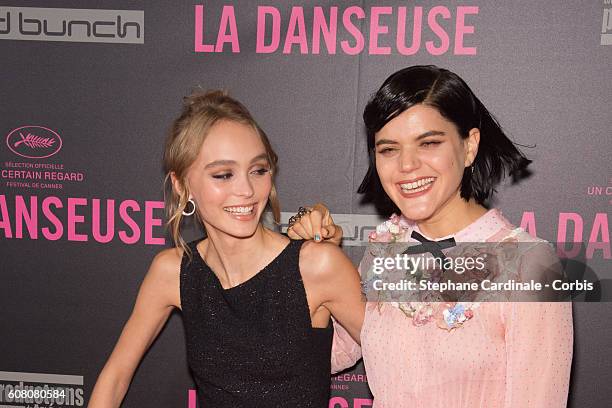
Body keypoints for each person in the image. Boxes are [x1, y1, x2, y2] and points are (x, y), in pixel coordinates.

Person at [289, 65, 573, 408]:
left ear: (469, 147)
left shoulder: (530, 265)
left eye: (429, 143)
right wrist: (315, 259)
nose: (406, 165)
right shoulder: (386, 249)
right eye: (389, 149)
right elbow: (328, 355)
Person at [88, 90, 364, 408]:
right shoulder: (173, 271)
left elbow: (402, 360)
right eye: (223, 175)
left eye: (258, 170)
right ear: (181, 186)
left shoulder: (316, 266)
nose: (246, 190)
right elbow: (115, 377)